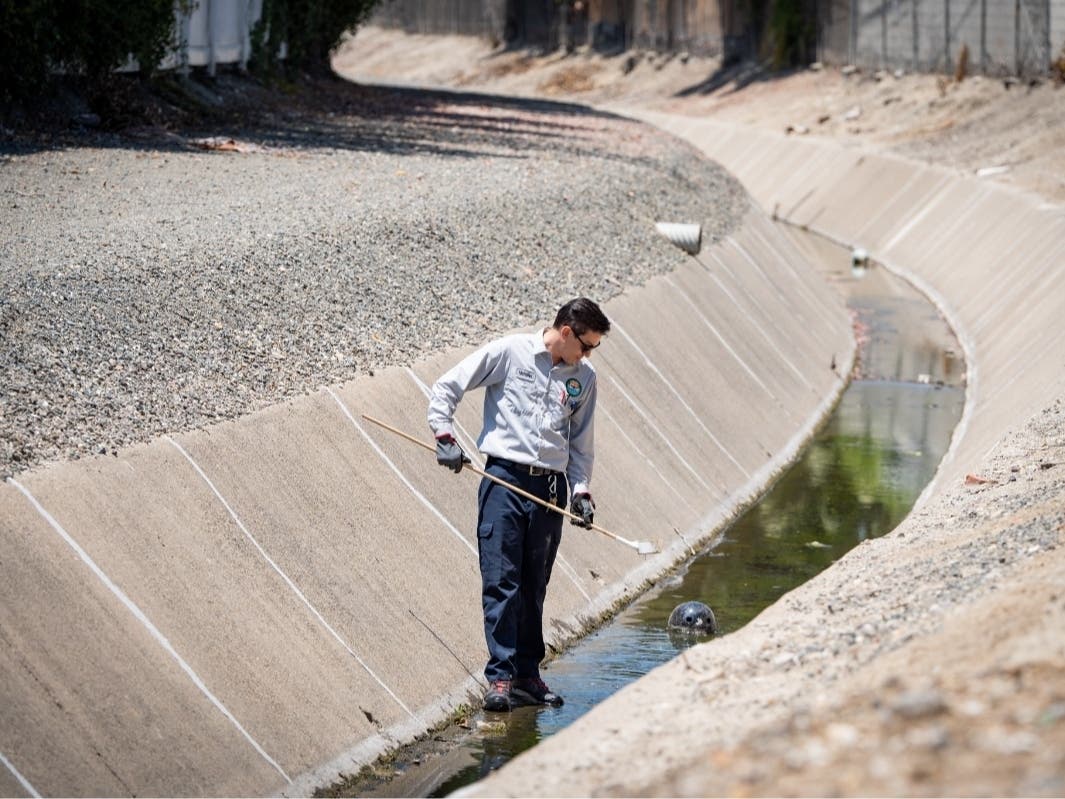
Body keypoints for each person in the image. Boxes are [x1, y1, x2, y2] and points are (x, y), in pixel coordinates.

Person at [427, 297, 610, 712]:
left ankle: (528, 675)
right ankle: (501, 678)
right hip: (504, 483)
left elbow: (581, 444)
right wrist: (444, 436)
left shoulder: (584, 378)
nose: (589, 353)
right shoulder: (509, 353)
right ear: (566, 332)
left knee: (534, 586)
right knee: (502, 581)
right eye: (587, 344)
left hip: (549, 490)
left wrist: (580, 492)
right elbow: (447, 386)